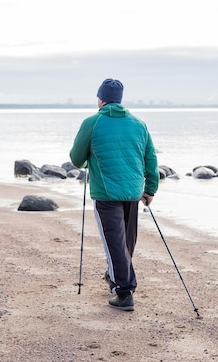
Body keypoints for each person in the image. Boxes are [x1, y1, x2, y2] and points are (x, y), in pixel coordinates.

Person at [70, 78, 159, 311]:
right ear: (119, 100)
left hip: (106, 193)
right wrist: (150, 189)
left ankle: (124, 291)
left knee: (115, 243)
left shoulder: (92, 123)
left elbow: (76, 159)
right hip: (132, 192)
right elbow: (150, 158)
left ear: (100, 99)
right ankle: (116, 276)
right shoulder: (139, 124)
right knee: (126, 241)